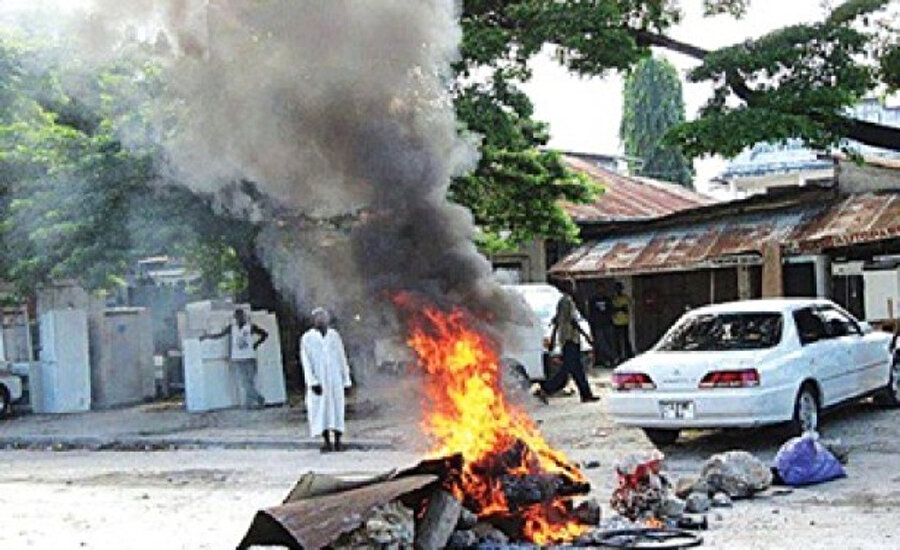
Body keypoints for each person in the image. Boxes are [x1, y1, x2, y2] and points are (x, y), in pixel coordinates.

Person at [300, 307, 352, 453]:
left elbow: (342, 357)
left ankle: (338, 441)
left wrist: (346, 380)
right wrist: (312, 382)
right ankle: (326, 442)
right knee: (321, 411)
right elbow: (306, 362)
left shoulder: (334, 336)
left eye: (323, 317)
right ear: (313, 320)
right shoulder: (307, 338)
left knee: (337, 409)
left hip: (335, 379)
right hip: (319, 381)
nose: (321, 320)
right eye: (318, 317)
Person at [536, 293, 599, 403]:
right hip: (570, 340)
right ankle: (545, 389)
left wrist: (553, 338)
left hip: (567, 340)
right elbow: (573, 322)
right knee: (565, 372)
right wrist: (586, 335)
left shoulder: (562, 302)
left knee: (578, 371)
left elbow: (556, 322)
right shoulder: (567, 301)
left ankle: (586, 394)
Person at [201, 308, 268, 409]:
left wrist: (256, 344)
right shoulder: (232, 328)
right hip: (238, 359)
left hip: (249, 357)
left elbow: (264, 334)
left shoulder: (250, 327)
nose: (239, 319)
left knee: (248, 383)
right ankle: (253, 402)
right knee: (246, 383)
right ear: (235, 318)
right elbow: (219, 335)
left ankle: (253, 402)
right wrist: (207, 336)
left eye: (241, 317)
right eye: (238, 317)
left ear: (244, 317)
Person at [588, 290, 616, 368]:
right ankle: (607, 359)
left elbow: (612, 310)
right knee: (601, 343)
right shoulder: (593, 300)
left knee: (610, 342)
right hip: (598, 325)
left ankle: (612, 359)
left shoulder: (607, 300)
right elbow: (591, 312)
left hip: (608, 324)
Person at [612, 282, 634, 364]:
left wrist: (619, 308)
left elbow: (627, 308)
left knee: (625, 339)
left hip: (624, 321)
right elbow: (612, 309)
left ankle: (629, 354)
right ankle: (620, 356)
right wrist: (619, 309)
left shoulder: (625, 298)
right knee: (617, 341)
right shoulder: (613, 299)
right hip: (616, 322)